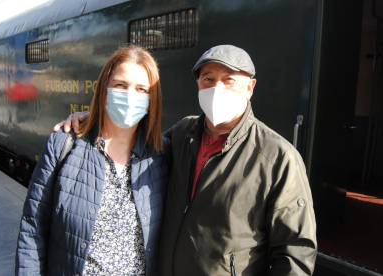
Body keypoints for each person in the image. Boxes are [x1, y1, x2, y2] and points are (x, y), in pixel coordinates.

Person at [55, 45, 317, 275]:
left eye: (229, 80)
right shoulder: (182, 134)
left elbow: (295, 253)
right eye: (208, 79)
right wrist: (94, 119)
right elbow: (134, 138)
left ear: (250, 87)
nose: (217, 88)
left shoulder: (277, 157)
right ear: (198, 85)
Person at [16, 45, 170, 276]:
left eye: (141, 89)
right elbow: (32, 230)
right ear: (105, 89)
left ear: (151, 100)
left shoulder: (162, 155)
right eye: (121, 85)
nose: (130, 96)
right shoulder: (63, 145)